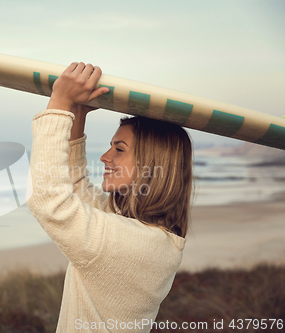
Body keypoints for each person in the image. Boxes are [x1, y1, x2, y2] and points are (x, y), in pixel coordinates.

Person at [26, 62, 193, 332]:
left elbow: (49, 201)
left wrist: (60, 102)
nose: (105, 157)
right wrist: (77, 113)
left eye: (119, 149)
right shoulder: (147, 235)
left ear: (149, 164)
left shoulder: (133, 244)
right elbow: (76, 187)